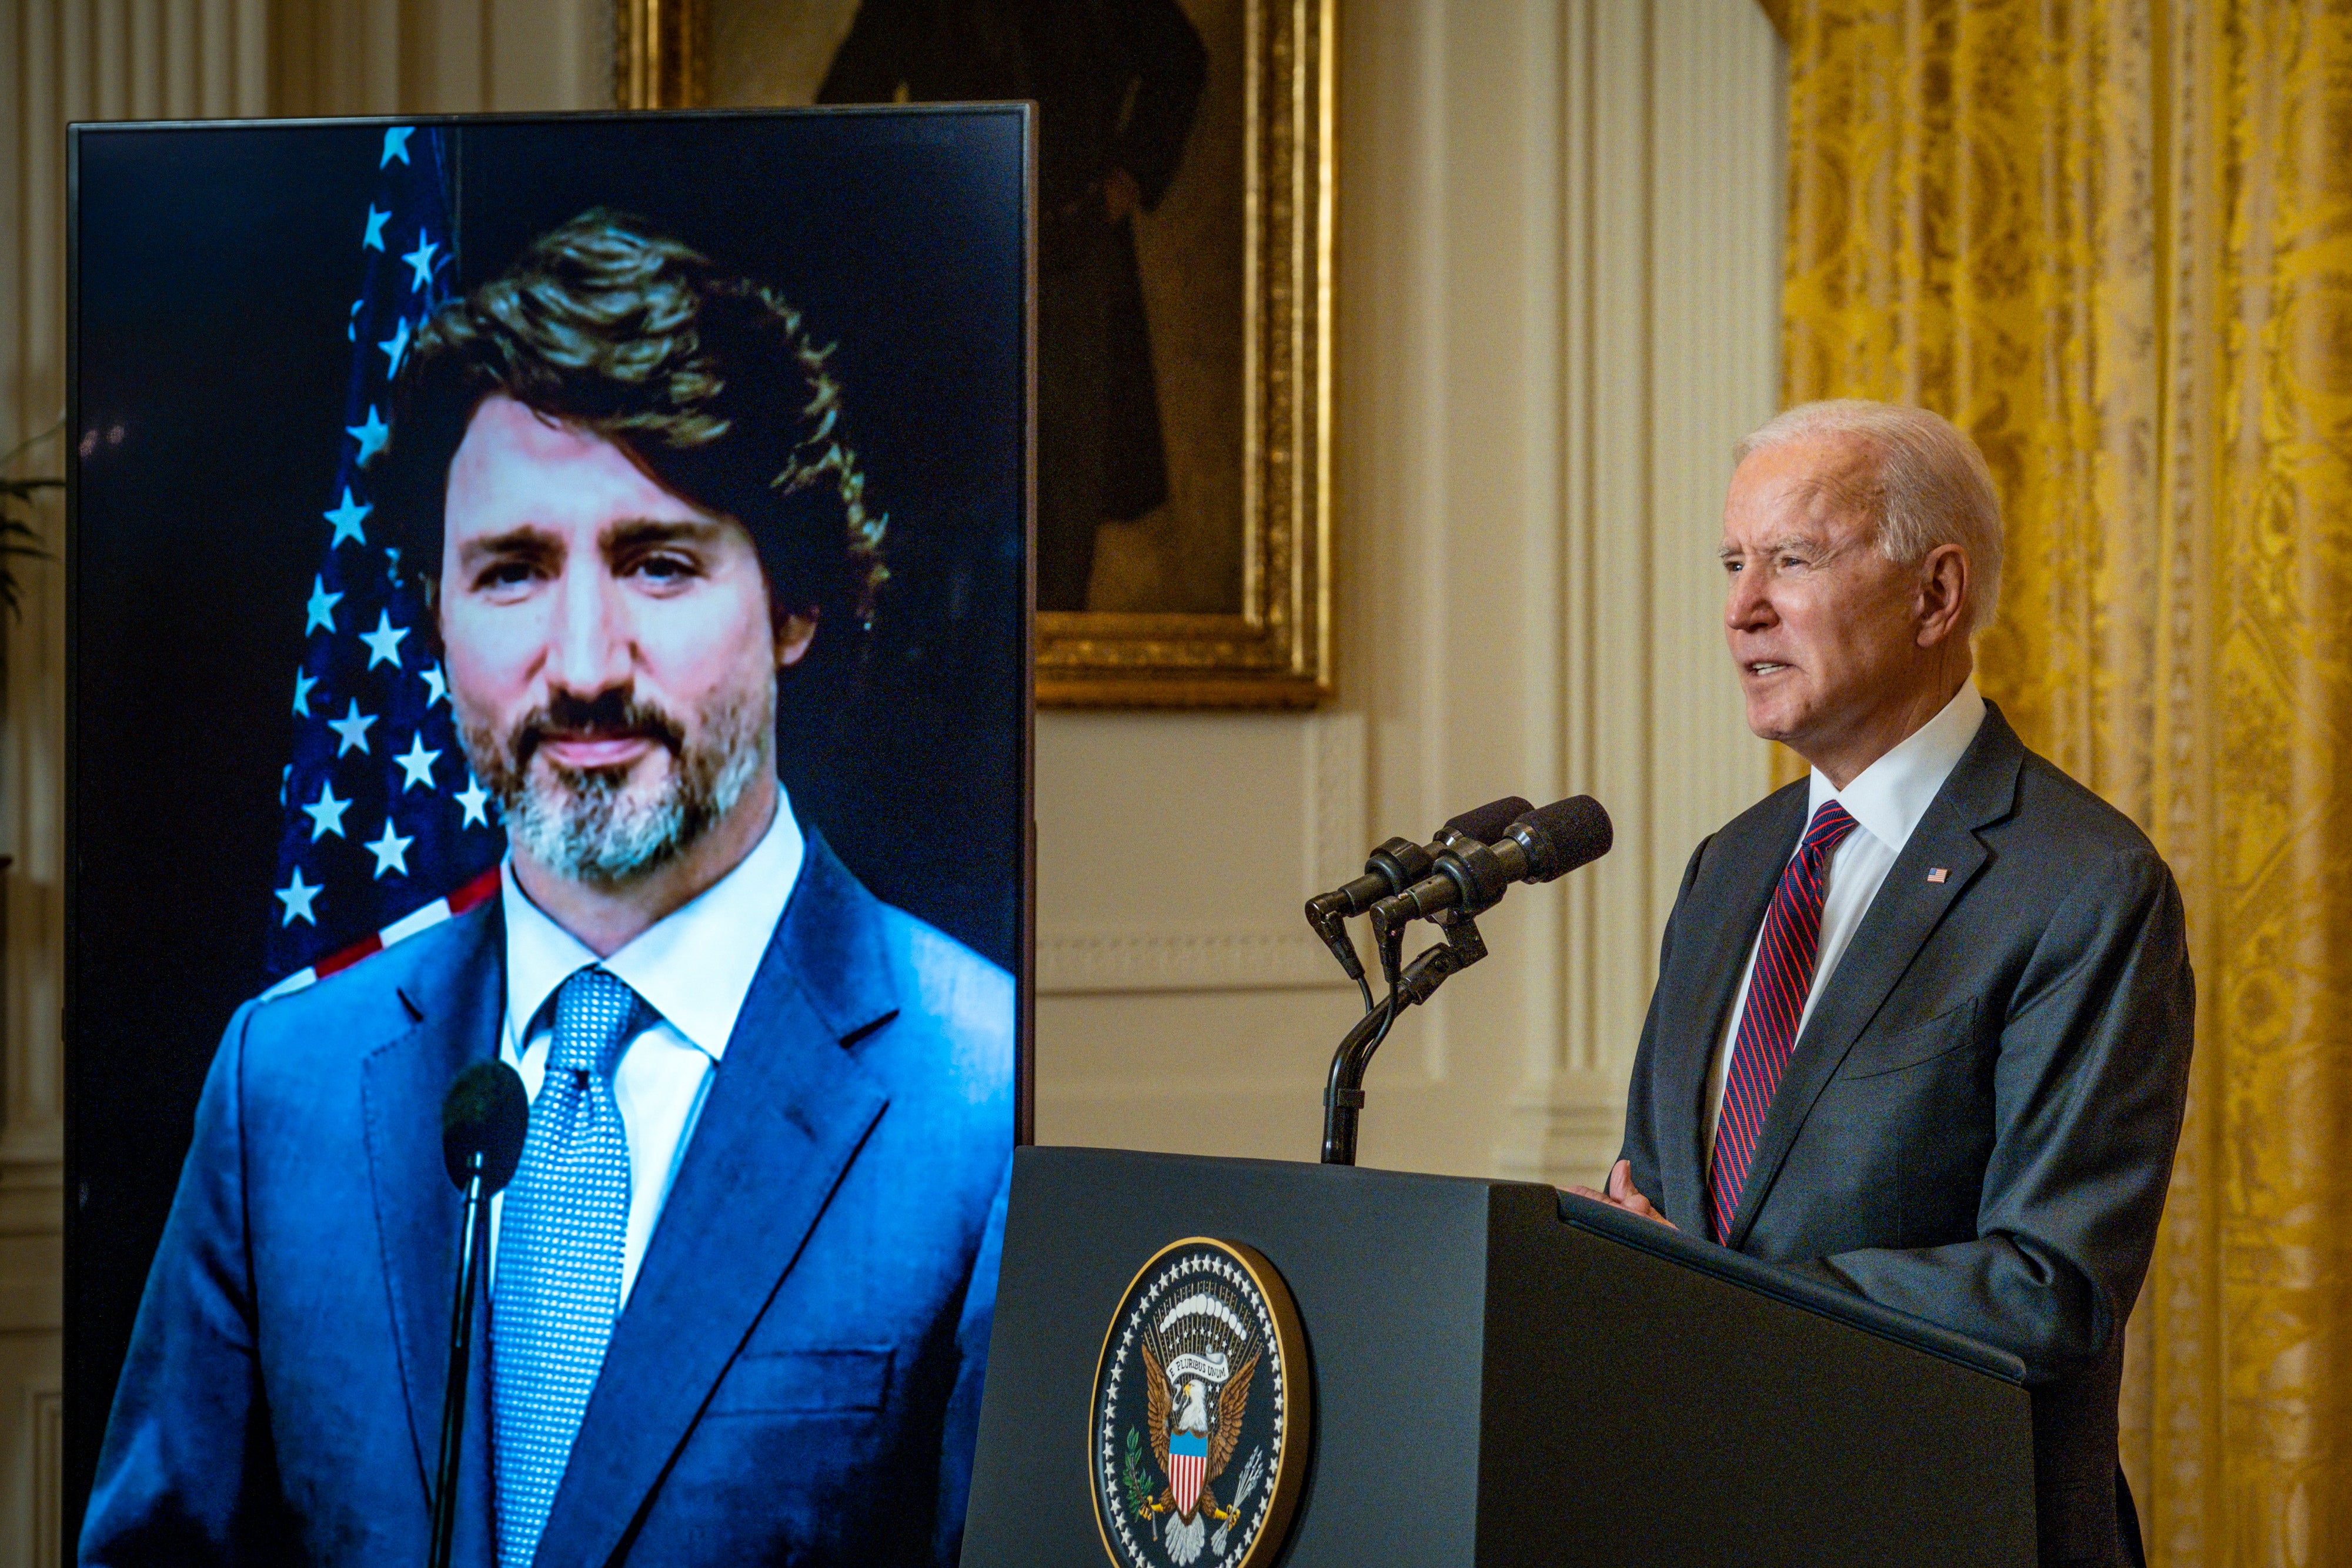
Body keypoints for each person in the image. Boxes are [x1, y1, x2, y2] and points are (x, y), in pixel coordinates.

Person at [79, 213, 1016, 1567]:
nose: (581, 664)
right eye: (512, 572)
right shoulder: (279, 1086)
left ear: (797, 602)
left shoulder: (981, 1104)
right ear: (436, 616)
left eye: (658, 563)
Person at [1571, 401, 2191, 1568]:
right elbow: (1660, 1194)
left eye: (1791, 559)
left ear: (1934, 593)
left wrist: (1709, 1291)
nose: (1739, 607)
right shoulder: (1732, 861)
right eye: (1730, 561)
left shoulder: (2083, 883)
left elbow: (2044, 1286)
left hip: (1946, 1522)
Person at [820, 0, 1208, 610]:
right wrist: (912, 204)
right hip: (953, 270)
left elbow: (1181, 65)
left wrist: (1127, 180)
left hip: (1073, 257)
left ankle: (1057, 671)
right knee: (947, 490)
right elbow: (843, 105)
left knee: (1063, 493)